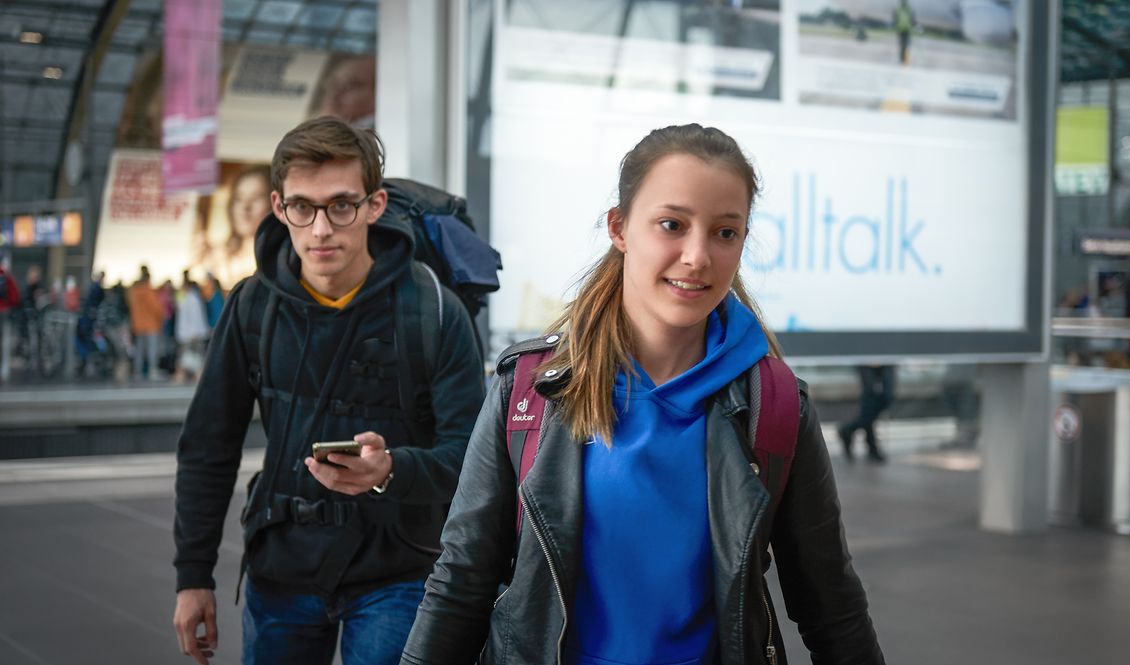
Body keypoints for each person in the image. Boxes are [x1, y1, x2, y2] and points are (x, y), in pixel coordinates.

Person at [399, 124, 884, 665]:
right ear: (620, 228)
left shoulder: (775, 405)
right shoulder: (532, 390)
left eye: (726, 233)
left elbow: (830, 603)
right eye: (672, 225)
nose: (698, 256)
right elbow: (462, 579)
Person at [172, 116, 485, 665]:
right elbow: (208, 446)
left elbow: (474, 458)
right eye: (303, 207)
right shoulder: (253, 307)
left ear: (375, 205)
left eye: (341, 205)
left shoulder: (435, 311)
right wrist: (193, 576)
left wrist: (391, 471)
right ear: (279, 207)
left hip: (400, 571)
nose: (321, 229)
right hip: (282, 567)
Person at [838, 365, 894, 464]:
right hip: (866, 360)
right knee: (869, 397)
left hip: (886, 358)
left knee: (886, 397)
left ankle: (848, 429)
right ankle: (872, 448)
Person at [126, 265, 165, 380]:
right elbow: (156, 308)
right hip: (151, 324)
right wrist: (162, 315)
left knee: (139, 350)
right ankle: (153, 371)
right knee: (152, 349)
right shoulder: (148, 291)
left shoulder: (134, 292)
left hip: (138, 324)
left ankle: (138, 372)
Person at [894, 0, 915, 65]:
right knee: (902, 45)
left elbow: (912, 18)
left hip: (907, 29)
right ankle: (902, 59)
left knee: (906, 45)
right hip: (900, 29)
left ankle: (905, 59)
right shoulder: (898, 9)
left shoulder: (909, 9)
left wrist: (913, 24)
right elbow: (895, 18)